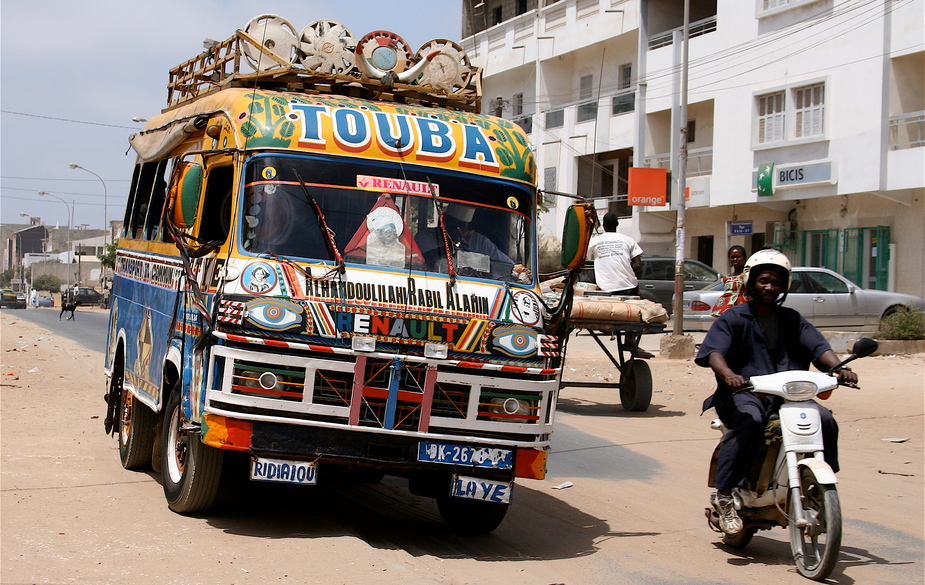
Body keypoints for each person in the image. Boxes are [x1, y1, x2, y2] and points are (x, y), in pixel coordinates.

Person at [695, 249, 858, 535]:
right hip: (743, 393)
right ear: (750, 282)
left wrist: (840, 368)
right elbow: (715, 353)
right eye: (763, 281)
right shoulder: (733, 318)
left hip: (788, 394)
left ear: (784, 286)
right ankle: (725, 494)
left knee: (826, 420)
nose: (769, 288)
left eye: (776, 283)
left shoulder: (793, 319)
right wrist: (729, 375)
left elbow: (819, 348)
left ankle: (821, 486)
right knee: (751, 422)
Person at [587, 212, 652, 358]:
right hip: (628, 286)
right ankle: (630, 339)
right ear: (617, 224)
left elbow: (586, 258)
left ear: (603, 225)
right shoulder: (628, 240)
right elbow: (638, 264)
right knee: (636, 311)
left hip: (606, 289)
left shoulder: (595, 241)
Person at [710, 245, 747, 317]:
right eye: (732, 257)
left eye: (738, 257)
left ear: (744, 258)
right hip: (728, 310)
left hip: (743, 309)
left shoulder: (747, 276)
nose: (735, 259)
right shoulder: (727, 278)